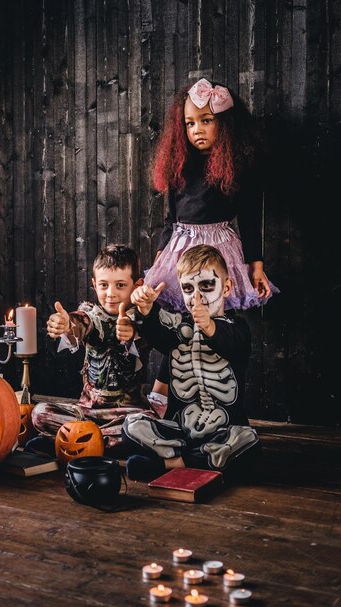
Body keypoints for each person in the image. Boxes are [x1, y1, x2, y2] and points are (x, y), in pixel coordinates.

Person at [144, 76, 279, 405]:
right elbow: (170, 219)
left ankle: (219, 396)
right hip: (180, 248)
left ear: (226, 124)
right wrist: (159, 261)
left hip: (218, 248)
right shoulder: (180, 164)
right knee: (182, 321)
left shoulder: (237, 166)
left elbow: (249, 218)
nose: (197, 130)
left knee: (213, 320)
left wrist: (256, 267)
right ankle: (163, 391)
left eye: (206, 121)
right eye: (190, 123)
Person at [122, 244, 261, 481]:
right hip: (180, 431)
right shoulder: (179, 329)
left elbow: (230, 343)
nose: (196, 296)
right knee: (131, 426)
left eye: (207, 285)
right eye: (188, 288)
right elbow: (159, 332)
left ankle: (170, 463)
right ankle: (197, 460)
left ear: (226, 287)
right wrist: (146, 310)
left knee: (248, 441)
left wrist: (208, 325)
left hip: (223, 431)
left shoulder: (238, 329)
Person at [28, 244, 155, 455]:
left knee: (146, 424)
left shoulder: (143, 319)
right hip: (86, 413)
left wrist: (132, 332)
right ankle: (99, 443)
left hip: (126, 412)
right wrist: (67, 324)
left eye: (120, 285)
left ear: (136, 285)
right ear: (94, 284)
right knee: (40, 413)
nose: (111, 294)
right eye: (104, 285)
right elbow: (82, 323)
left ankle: (70, 443)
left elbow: (144, 335)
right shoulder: (92, 315)